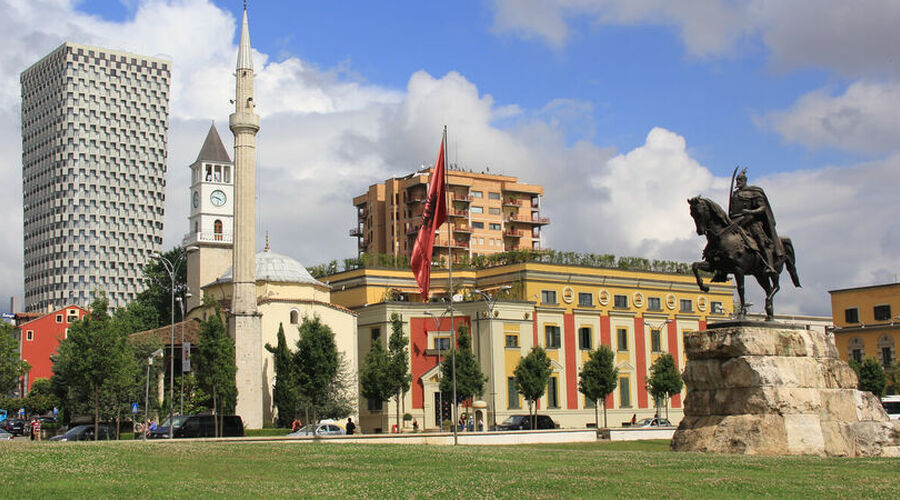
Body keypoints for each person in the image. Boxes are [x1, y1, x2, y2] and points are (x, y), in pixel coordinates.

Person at [729, 168, 783, 275]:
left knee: (761, 241)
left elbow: (762, 208)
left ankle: (770, 265)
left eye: (740, 180)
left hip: (751, 221)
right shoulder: (735, 194)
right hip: (735, 222)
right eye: (737, 180)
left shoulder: (754, 192)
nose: (738, 182)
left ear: (745, 180)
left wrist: (749, 211)